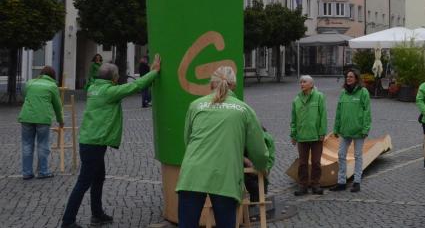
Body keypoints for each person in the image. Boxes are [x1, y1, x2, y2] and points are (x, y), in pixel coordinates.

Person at [61, 55, 161, 228]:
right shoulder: (108, 92)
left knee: (98, 178)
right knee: (83, 182)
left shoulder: (94, 88)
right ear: (113, 78)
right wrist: (154, 72)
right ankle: (68, 221)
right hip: (94, 143)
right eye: (117, 75)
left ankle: (97, 214)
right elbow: (135, 86)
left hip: (91, 140)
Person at [176, 66, 271, 228]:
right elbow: (258, 150)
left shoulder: (195, 105)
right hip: (225, 176)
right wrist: (262, 166)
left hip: (192, 174)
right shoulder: (244, 110)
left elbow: (188, 140)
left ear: (211, 84)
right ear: (234, 85)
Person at [19, 65, 64, 180]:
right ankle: (43, 171)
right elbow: (57, 106)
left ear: (41, 74)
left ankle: (27, 172)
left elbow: (24, 95)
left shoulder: (30, 83)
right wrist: (60, 120)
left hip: (26, 117)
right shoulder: (52, 86)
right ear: (53, 76)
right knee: (43, 145)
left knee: (27, 145)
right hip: (43, 118)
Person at [332, 68, 372, 192]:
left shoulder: (363, 92)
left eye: (351, 77)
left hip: (359, 131)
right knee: (341, 154)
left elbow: (367, 111)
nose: (348, 78)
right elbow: (338, 112)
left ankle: (357, 182)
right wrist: (336, 128)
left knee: (358, 156)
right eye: (347, 77)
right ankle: (341, 182)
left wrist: (365, 129)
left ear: (356, 78)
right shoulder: (343, 93)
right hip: (345, 130)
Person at [290, 75, 327, 196]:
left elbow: (323, 116)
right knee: (302, 163)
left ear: (311, 84)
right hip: (302, 136)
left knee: (316, 162)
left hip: (316, 136)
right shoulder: (296, 100)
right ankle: (303, 185)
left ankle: (316, 184)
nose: (302, 84)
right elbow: (293, 119)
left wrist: (322, 132)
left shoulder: (319, 96)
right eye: (301, 82)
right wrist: (293, 134)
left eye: (304, 82)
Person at [244, 127, 275, 223]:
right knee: (252, 185)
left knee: (261, 187)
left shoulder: (267, 139)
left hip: (259, 170)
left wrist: (266, 168)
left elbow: (270, 157)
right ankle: (252, 206)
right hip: (245, 169)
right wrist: (246, 161)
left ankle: (255, 206)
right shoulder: (244, 138)